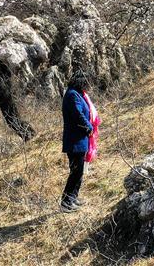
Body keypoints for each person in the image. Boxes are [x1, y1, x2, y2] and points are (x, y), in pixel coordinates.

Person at [61, 70, 93, 212]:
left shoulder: (77, 93)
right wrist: (88, 127)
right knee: (75, 171)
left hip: (80, 140)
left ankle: (73, 197)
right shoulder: (72, 95)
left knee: (79, 171)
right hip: (75, 141)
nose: (88, 85)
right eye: (86, 82)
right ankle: (66, 202)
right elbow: (78, 115)